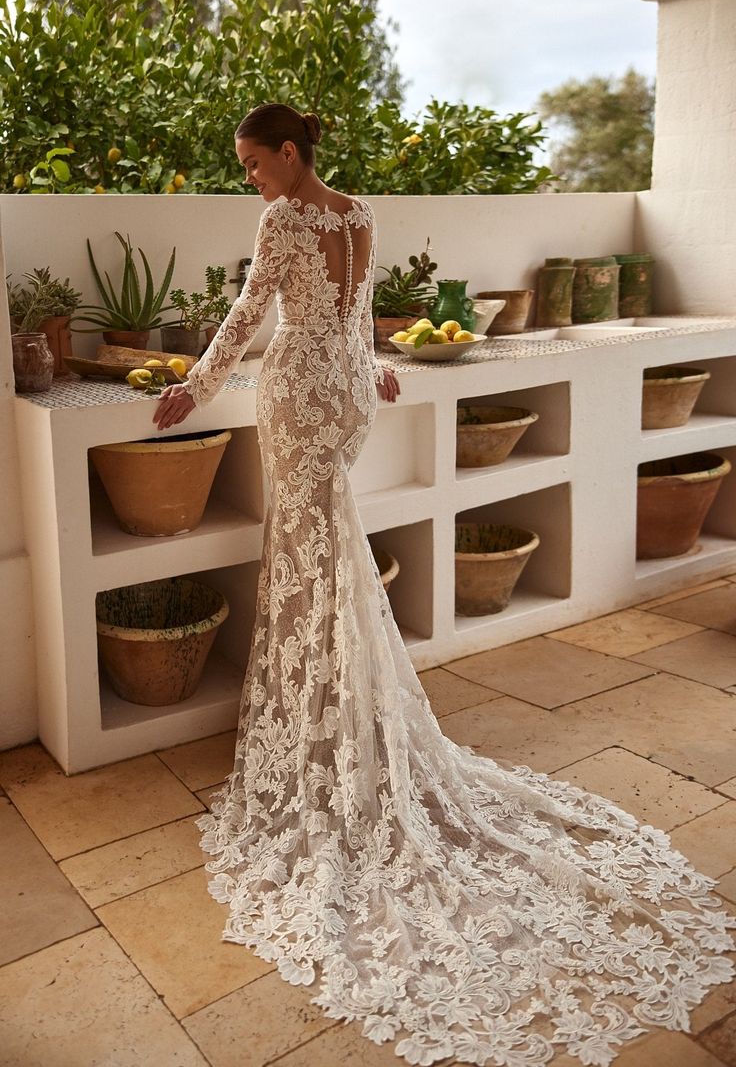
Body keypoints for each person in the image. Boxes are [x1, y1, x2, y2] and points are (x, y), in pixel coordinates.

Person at [153, 103, 736, 1067]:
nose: (250, 179)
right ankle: (336, 707)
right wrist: (379, 367)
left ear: (292, 156)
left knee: (307, 554)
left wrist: (196, 386)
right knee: (328, 547)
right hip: (344, 393)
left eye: (256, 163)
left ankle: (319, 719)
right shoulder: (359, 214)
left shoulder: (285, 220)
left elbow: (254, 314)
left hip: (301, 391)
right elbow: (357, 311)